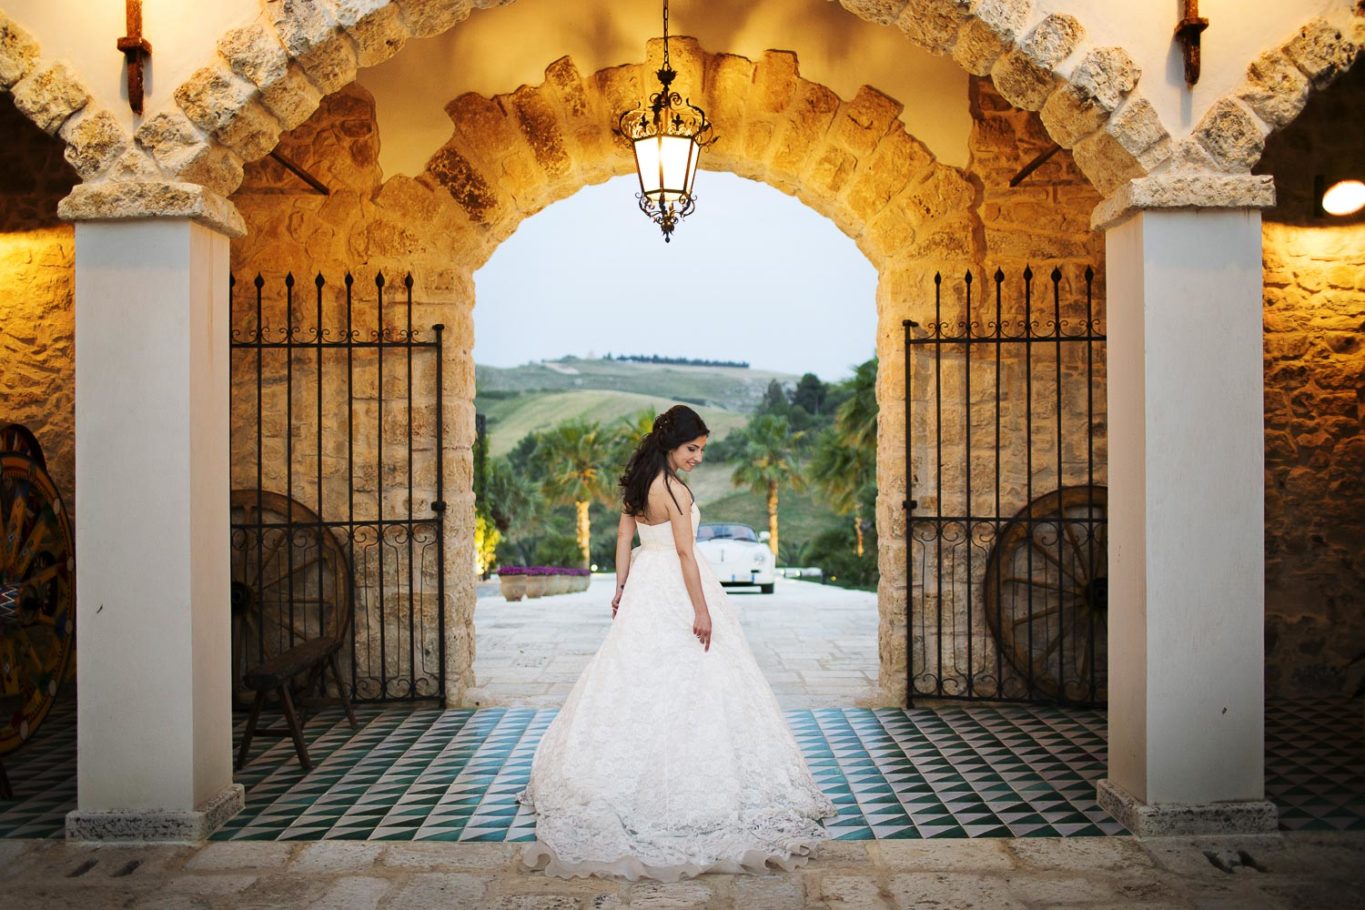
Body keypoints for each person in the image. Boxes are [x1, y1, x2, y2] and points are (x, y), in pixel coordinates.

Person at [517, 404, 837, 881]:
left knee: (635, 677)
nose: (698, 458)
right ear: (672, 444)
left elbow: (625, 539)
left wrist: (621, 587)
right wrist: (702, 609)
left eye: (702, 450)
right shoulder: (675, 492)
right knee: (696, 674)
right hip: (678, 586)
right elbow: (687, 553)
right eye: (693, 448)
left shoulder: (641, 482)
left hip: (646, 582)